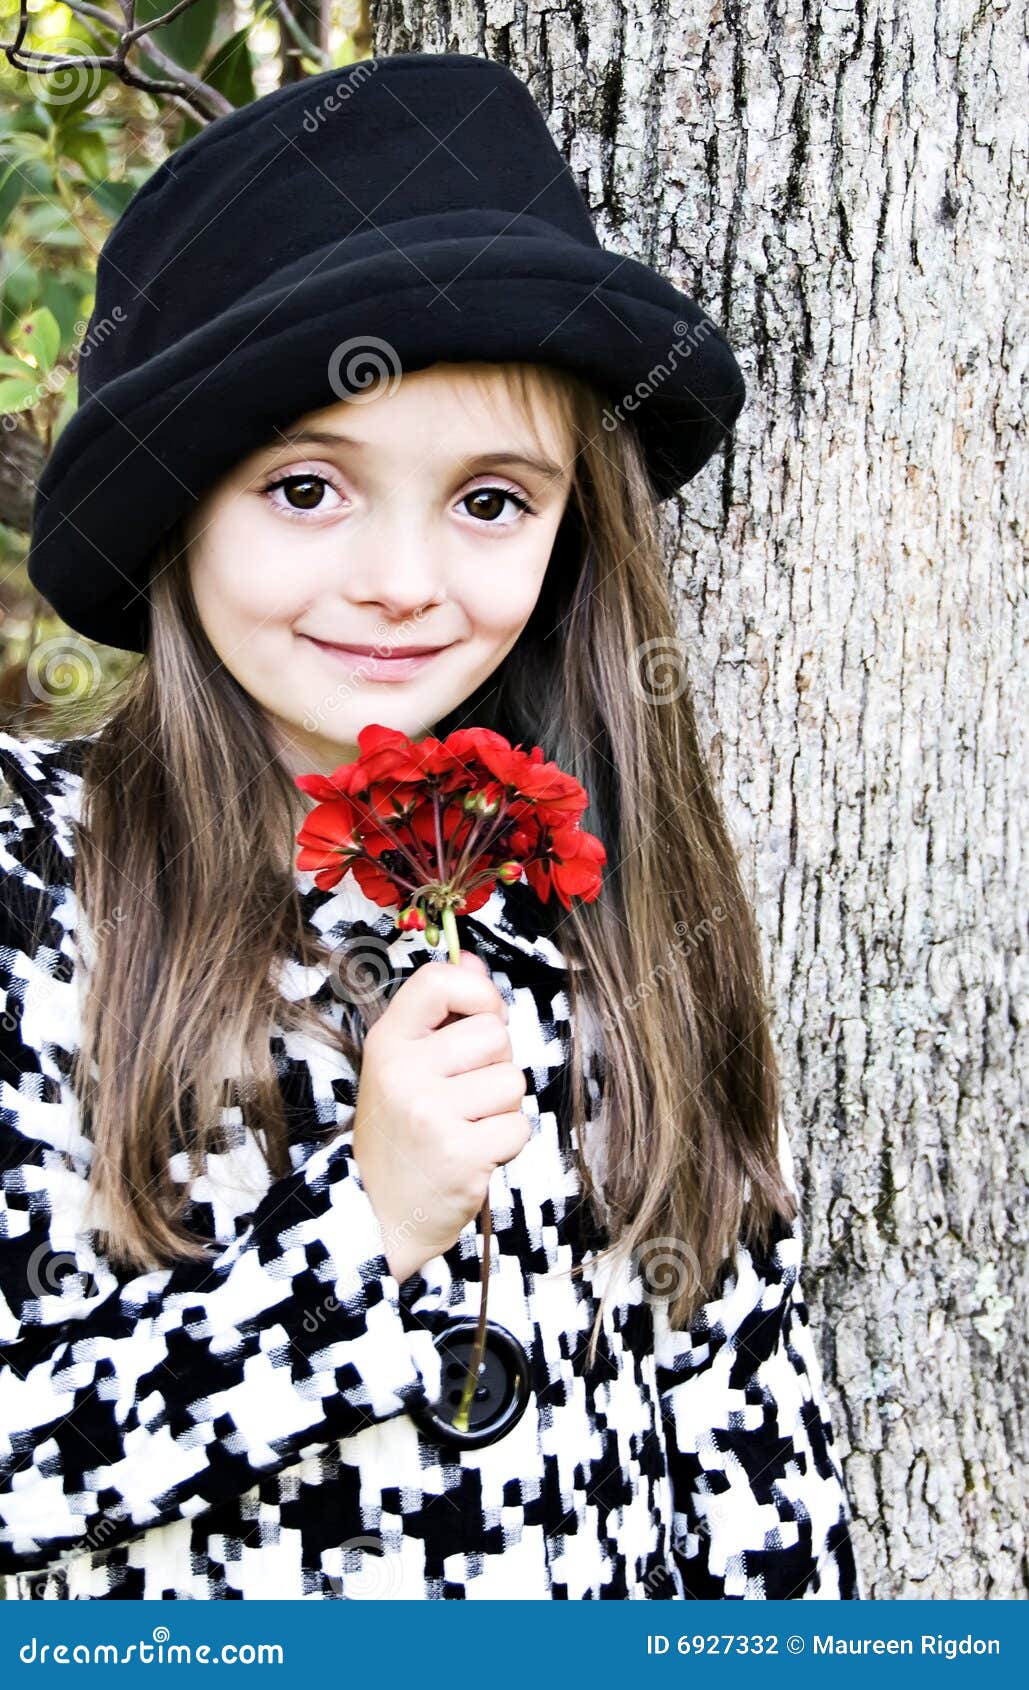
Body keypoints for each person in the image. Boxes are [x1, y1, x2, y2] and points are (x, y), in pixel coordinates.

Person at [0, 52, 861, 1600]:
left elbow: (752, 1435)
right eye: (310, 489)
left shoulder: (607, 902)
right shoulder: (36, 880)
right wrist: (361, 1233)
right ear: (182, 505)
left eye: (487, 502)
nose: (404, 578)